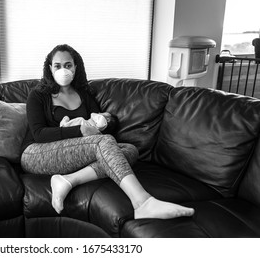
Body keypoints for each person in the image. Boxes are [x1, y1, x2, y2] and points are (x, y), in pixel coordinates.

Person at [20, 44, 195, 219]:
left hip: (71, 151)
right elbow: (39, 134)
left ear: (75, 67)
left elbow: (101, 125)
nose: (63, 70)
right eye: (57, 66)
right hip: (35, 153)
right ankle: (142, 202)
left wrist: (104, 121)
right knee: (104, 142)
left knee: (129, 150)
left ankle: (68, 180)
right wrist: (79, 130)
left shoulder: (83, 94)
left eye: (68, 65)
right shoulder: (38, 95)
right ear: (50, 68)